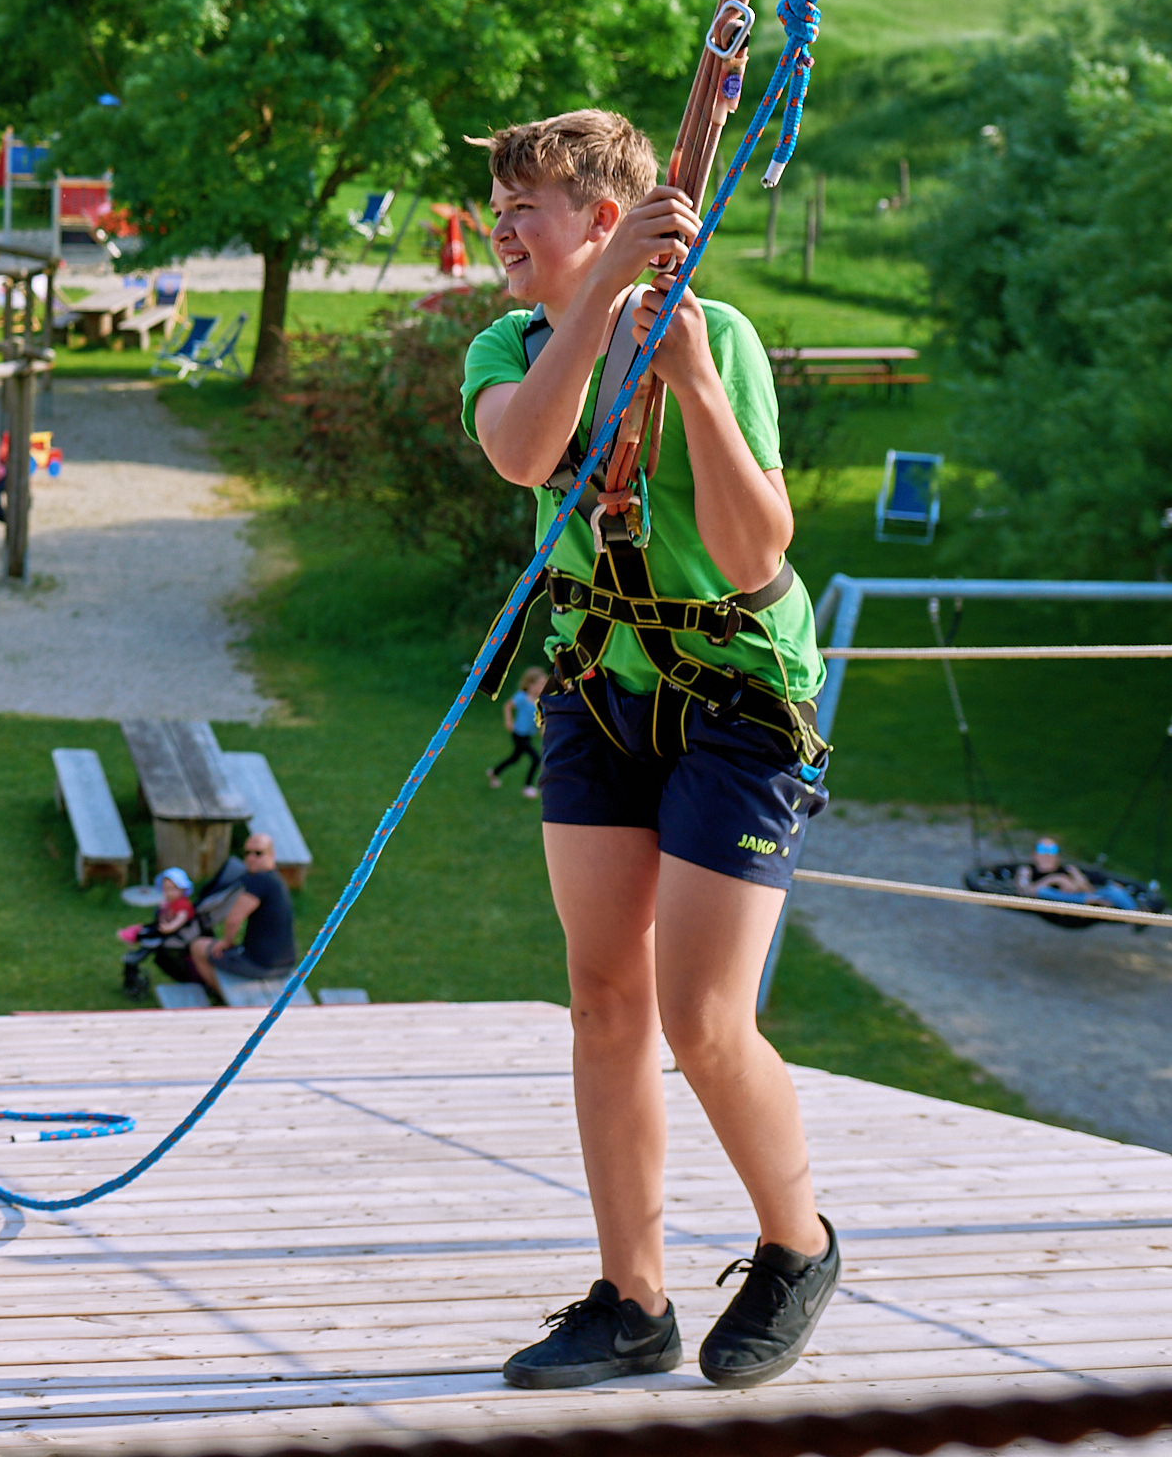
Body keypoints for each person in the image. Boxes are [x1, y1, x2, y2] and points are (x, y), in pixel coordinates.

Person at [464, 109, 839, 1397]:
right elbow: (522, 450)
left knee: (700, 1013)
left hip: (734, 693)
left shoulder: (716, 336)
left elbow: (752, 553)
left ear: (605, 214)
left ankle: (796, 1243)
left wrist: (681, 375)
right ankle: (632, 1296)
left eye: (531, 203)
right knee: (604, 997)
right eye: (499, 203)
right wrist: (603, 305)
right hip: (599, 686)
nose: (503, 224)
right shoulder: (507, 348)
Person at [187, 832, 297, 999]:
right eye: (247, 853)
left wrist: (226, 942)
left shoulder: (258, 880)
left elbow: (234, 918)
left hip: (261, 965)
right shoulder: (276, 880)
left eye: (258, 853)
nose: (251, 858)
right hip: (286, 962)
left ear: (272, 855)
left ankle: (224, 996)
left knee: (198, 947)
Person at [114, 865, 200, 994]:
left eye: (173, 889)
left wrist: (170, 927)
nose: (169, 892)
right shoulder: (169, 902)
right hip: (161, 929)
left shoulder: (183, 904)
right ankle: (132, 935)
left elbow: (181, 918)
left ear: (183, 889)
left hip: (172, 934)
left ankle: (132, 967)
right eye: (166, 889)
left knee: (145, 939)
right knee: (144, 930)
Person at [490, 664, 551, 797]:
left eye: (544, 684)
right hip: (518, 734)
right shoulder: (522, 697)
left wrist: (543, 729)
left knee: (515, 758)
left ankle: (494, 772)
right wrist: (508, 721)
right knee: (535, 758)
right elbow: (508, 706)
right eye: (540, 684)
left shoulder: (541, 701)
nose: (543, 687)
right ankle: (527, 787)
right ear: (529, 685)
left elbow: (543, 717)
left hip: (527, 735)